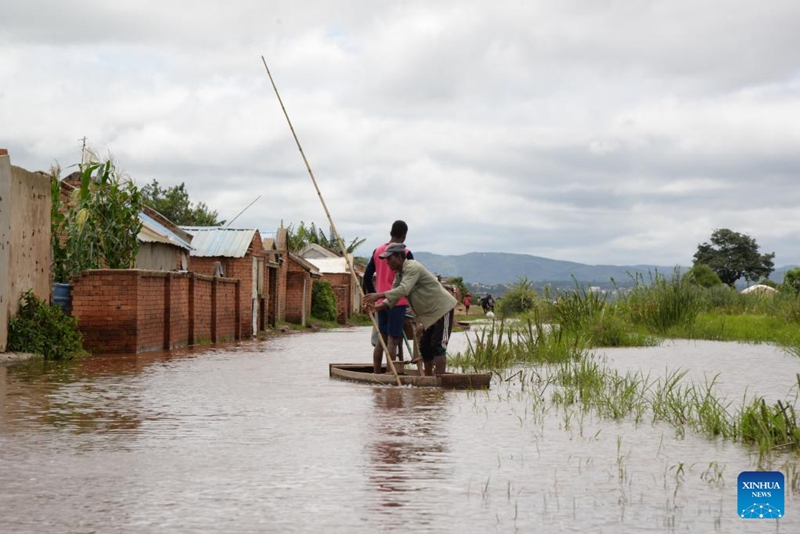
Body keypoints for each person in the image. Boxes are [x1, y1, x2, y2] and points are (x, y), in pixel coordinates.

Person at [363, 243, 457, 377]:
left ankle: (439, 383)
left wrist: (377, 295)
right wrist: (376, 307)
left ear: (400, 257)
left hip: (442, 309)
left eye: (390, 258)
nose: (387, 262)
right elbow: (393, 298)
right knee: (424, 347)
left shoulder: (412, 267)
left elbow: (404, 289)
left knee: (438, 347)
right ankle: (429, 380)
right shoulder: (399, 274)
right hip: (429, 315)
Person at [363, 221, 413, 373]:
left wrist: (375, 297)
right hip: (397, 303)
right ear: (404, 237)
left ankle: (378, 374)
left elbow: (366, 277)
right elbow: (411, 281)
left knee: (382, 339)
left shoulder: (378, 251)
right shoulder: (405, 253)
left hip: (381, 303)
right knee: (393, 339)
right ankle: (391, 374)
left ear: (391, 232)